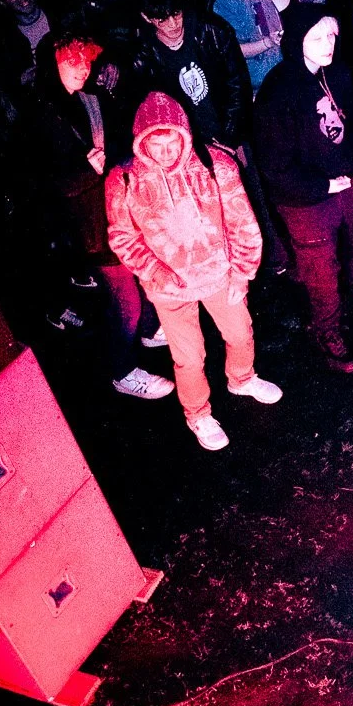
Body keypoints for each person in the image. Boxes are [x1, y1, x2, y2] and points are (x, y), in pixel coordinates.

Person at [105, 90, 280, 448]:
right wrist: (156, 271)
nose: (167, 154)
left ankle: (242, 378)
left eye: (173, 144)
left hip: (219, 274)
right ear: (142, 143)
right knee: (188, 356)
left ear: (185, 136)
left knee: (241, 332)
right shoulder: (123, 180)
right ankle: (198, 414)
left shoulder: (216, 164)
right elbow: (122, 238)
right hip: (170, 288)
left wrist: (242, 272)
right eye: (158, 146)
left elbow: (243, 222)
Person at [18, 29, 173, 400]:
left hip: (112, 209)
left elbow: (113, 138)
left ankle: (150, 330)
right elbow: (40, 184)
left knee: (136, 278)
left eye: (84, 59)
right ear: (50, 65)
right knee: (124, 299)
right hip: (86, 225)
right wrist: (88, 170)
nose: (82, 67)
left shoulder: (88, 98)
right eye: (71, 61)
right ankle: (122, 371)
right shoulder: (39, 114)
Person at [253, 4, 353, 373]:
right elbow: (274, 168)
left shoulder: (337, 72)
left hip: (348, 175)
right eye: (316, 37)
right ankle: (327, 329)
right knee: (320, 268)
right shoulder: (278, 92)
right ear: (297, 41)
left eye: (331, 35)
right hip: (304, 196)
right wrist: (323, 185)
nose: (327, 44)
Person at [125, 0, 251, 155]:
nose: (173, 24)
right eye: (162, 20)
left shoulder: (213, 31)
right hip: (185, 145)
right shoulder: (144, 55)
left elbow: (238, 85)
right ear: (146, 17)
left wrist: (229, 137)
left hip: (228, 134)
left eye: (176, 14)